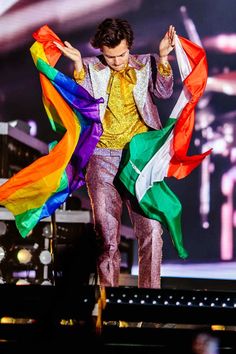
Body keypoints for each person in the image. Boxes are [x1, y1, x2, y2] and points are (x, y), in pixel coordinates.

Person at [54, 18, 176, 288]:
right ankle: (108, 310)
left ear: (129, 46)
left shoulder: (147, 62)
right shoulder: (88, 67)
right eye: (110, 57)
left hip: (139, 160)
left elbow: (164, 92)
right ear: (101, 51)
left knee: (152, 232)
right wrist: (76, 66)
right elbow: (82, 106)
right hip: (102, 159)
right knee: (106, 239)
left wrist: (165, 57)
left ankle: (150, 306)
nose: (118, 61)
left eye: (121, 54)